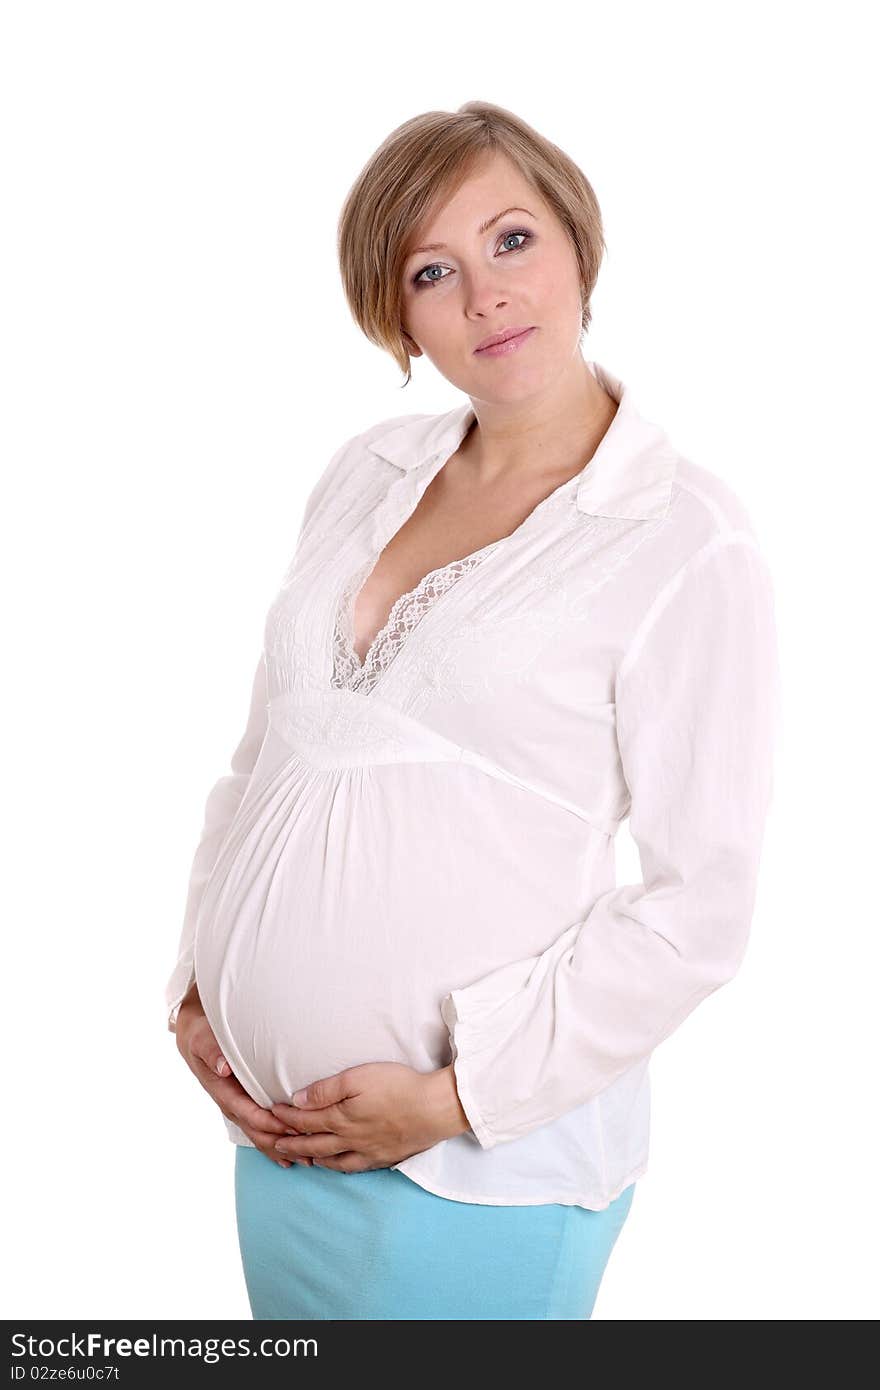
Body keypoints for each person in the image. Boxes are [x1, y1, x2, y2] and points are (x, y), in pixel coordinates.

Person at [165, 100, 780, 1321]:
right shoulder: (365, 472)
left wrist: (453, 1100)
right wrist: (197, 989)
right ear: (395, 314)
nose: (486, 295)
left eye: (512, 240)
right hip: (279, 1152)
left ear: (577, 246)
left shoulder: (683, 538)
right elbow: (264, 760)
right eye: (431, 270)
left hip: (482, 1176)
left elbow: (696, 907)